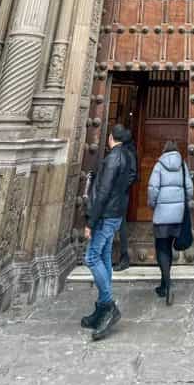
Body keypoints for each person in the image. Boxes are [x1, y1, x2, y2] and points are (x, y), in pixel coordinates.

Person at [81, 124, 136, 340]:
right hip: (116, 213)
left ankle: (108, 305)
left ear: (111, 138)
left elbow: (103, 192)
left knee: (92, 257)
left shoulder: (113, 158)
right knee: (104, 255)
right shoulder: (128, 157)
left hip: (105, 216)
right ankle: (102, 309)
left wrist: (90, 221)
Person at [147, 139, 193, 304]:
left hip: (162, 215)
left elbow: (153, 189)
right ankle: (164, 284)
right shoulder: (182, 166)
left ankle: (167, 285)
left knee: (162, 248)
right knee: (169, 249)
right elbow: (189, 188)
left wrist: (153, 205)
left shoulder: (159, 165)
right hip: (178, 215)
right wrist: (183, 203)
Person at [113, 128, 138, 272]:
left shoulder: (127, 153)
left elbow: (132, 174)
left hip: (119, 194)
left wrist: (120, 188)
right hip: (118, 194)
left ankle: (123, 257)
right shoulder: (125, 152)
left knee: (120, 224)